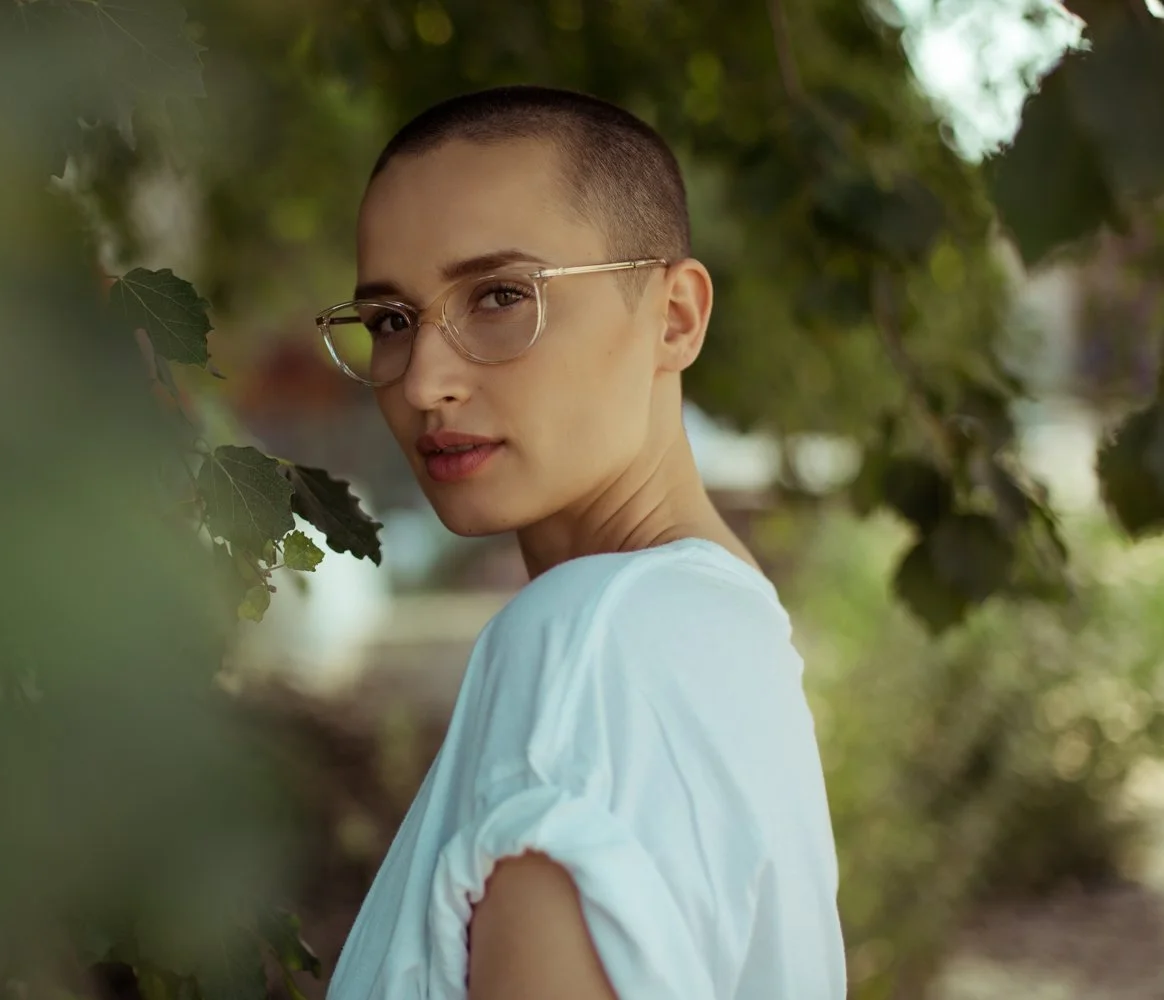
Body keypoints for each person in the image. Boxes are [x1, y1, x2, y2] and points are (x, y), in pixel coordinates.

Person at [314, 85, 845, 1000]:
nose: (427, 380)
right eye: (393, 320)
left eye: (499, 296)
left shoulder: (594, 638)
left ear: (674, 317)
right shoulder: (717, 631)